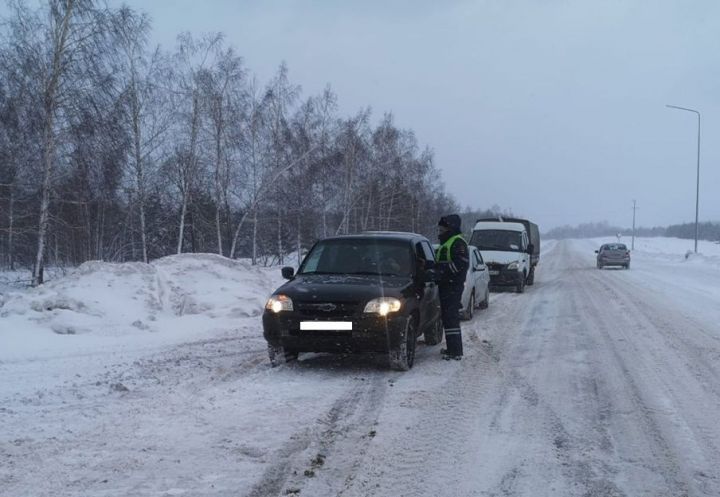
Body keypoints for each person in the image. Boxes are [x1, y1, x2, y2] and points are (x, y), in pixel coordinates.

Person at [435, 214, 470, 360]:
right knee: (448, 318)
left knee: (451, 318)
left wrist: (442, 272)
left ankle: (455, 351)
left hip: (452, 286)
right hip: (446, 285)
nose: (440, 231)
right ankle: (452, 348)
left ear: (451, 228)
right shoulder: (447, 242)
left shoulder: (458, 243)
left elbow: (461, 264)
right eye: (440, 228)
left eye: (443, 228)